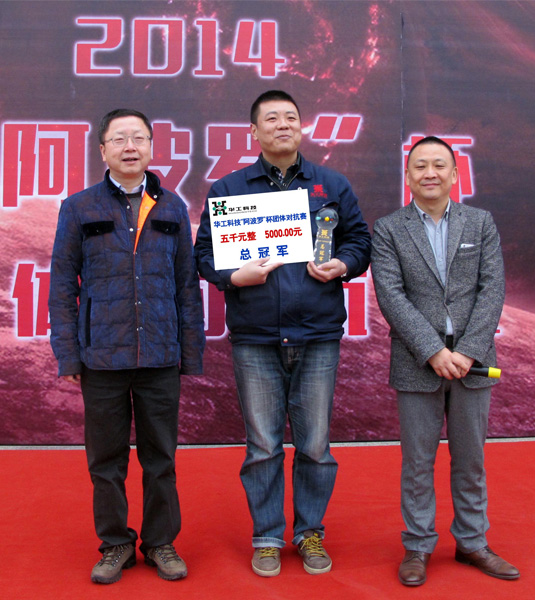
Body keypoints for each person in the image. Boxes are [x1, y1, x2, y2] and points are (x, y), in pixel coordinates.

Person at [194, 90, 371, 577]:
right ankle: (268, 536)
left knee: (315, 444)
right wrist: (234, 277)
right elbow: (204, 255)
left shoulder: (331, 184)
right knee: (263, 446)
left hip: (317, 334)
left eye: (291, 117)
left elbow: (360, 239)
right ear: (253, 132)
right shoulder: (229, 188)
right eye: (271, 118)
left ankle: (310, 531)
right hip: (256, 337)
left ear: (302, 127)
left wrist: (343, 264)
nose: (283, 124)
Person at [48, 108, 205, 584]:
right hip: (102, 357)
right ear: (103, 150)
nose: (130, 146)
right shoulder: (79, 207)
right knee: (106, 461)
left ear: (152, 147)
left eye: (139, 138)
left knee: (161, 458)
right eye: (119, 139)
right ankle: (115, 543)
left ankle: (160, 542)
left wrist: (190, 353)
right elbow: (62, 285)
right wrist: (68, 354)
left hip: (159, 355)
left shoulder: (172, 207)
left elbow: (186, 286)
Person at [371, 136, 519, 586]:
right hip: (417, 361)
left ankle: (472, 542)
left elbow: (492, 288)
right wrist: (433, 351)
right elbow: (391, 295)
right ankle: (417, 545)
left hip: (474, 361)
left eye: (439, 165)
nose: (429, 173)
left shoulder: (480, 222)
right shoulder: (389, 229)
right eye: (420, 166)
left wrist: (467, 351)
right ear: (408, 175)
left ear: (455, 174)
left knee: (470, 459)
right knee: (417, 462)